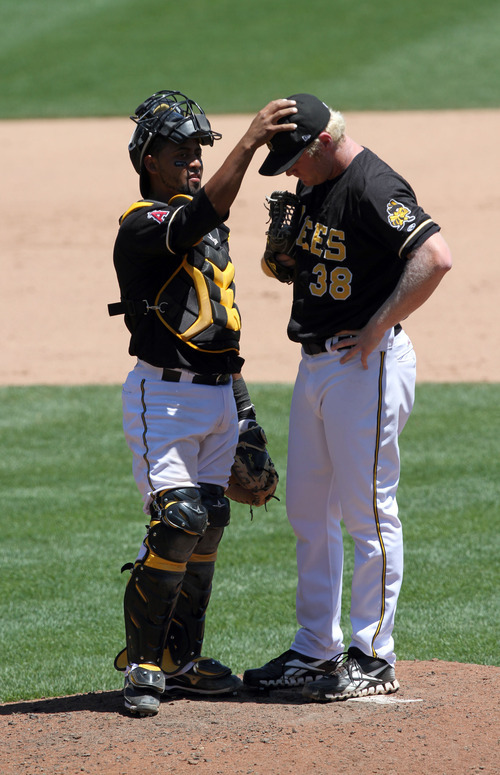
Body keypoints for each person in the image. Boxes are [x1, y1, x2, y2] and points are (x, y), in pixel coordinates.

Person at [243, 93, 452, 701]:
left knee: (368, 514)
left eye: (294, 160)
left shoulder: (372, 184)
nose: (288, 172)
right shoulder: (316, 184)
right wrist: (289, 262)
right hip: (315, 365)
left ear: (325, 142)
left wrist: (379, 323)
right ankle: (316, 649)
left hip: (366, 364)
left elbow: (435, 258)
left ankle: (373, 655)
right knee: (309, 512)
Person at [109, 90, 297, 715]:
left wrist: (245, 417)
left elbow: (223, 332)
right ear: (149, 161)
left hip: (218, 397)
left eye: (200, 150)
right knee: (178, 522)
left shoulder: (208, 229)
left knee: (211, 520)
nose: (193, 159)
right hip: (161, 397)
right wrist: (247, 143)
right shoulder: (143, 225)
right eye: (181, 151)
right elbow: (188, 222)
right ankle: (142, 664)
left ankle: (181, 660)